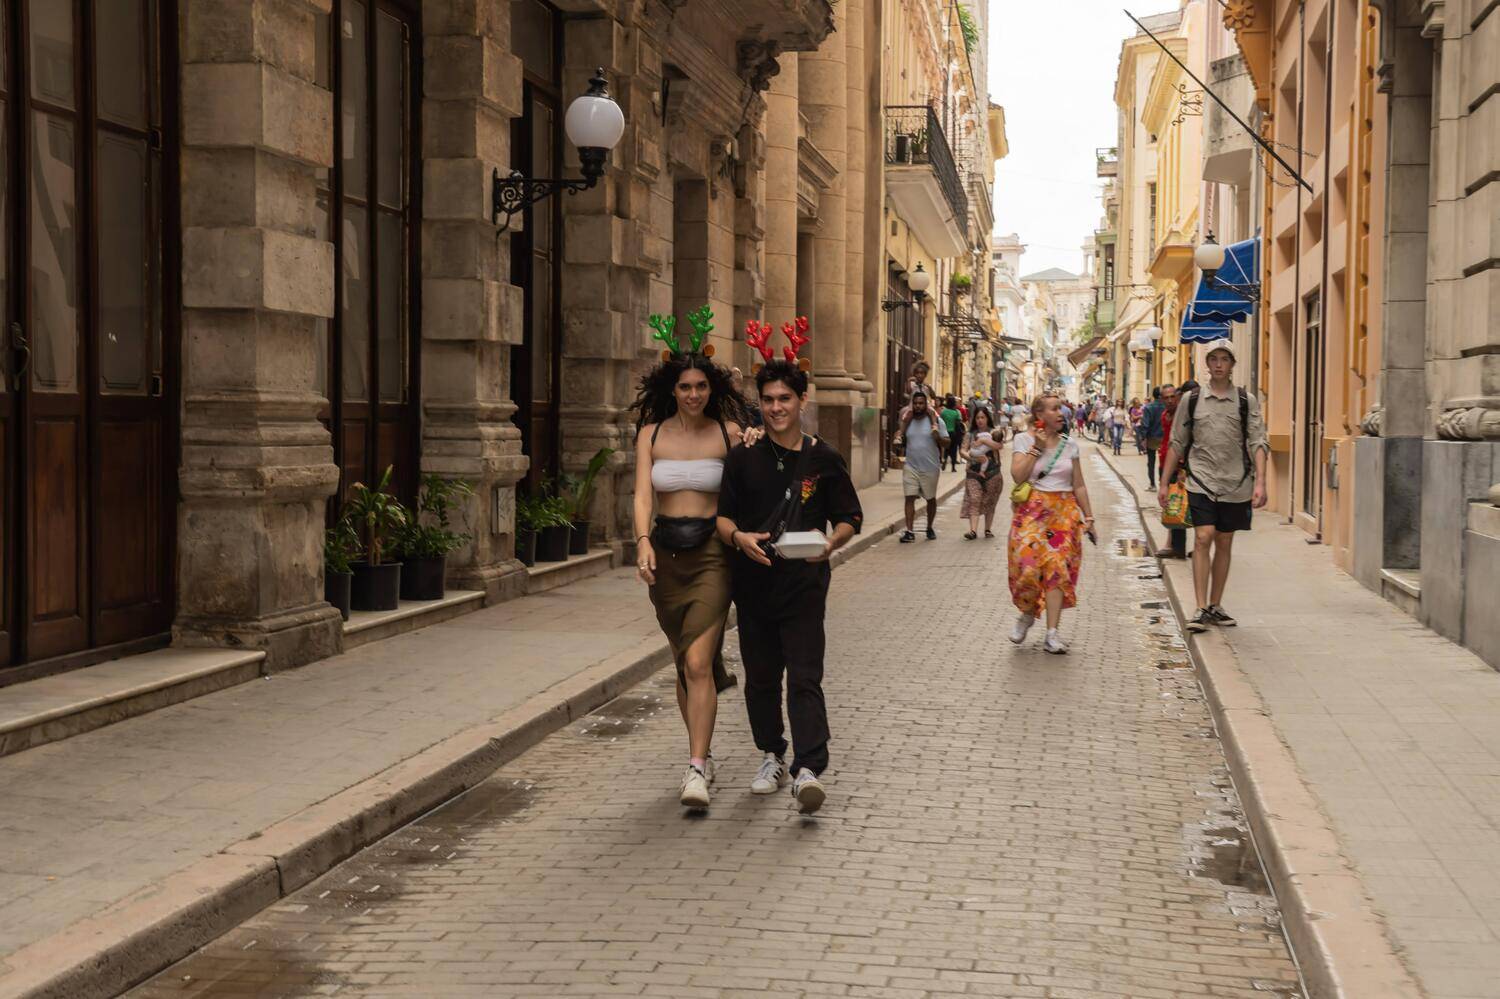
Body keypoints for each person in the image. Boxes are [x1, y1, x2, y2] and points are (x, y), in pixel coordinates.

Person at [716, 358, 863, 814]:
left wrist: (831, 543)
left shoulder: (824, 458)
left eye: (784, 398)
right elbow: (722, 518)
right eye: (768, 400)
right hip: (753, 586)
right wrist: (738, 538)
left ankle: (808, 769)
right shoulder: (742, 457)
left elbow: (850, 517)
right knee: (761, 679)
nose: (776, 407)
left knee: (804, 676)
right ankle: (772, 754)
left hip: (804, 585)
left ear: (802, 400)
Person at [631, 349, 750, 808]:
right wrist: (642, 540)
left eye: (701, 386)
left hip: (713, 555)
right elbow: (643, 496)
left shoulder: (728, 433)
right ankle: (701, 752)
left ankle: (696, 768)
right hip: (666, 556)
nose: (694, 394)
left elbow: (752, 480)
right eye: (685, 387)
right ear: (673, 390)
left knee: (699, 662)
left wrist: (758, 440)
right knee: (685, 662)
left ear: (711, 389)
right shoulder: (651, 434)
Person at [1159, 343, 1269, 634]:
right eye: (1214, 359)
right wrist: (1164, 482)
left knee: (1224, 541)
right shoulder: (1192, 400)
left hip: (1236, 483)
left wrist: (1261, 482)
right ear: (1207, 364)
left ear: (1232, 364)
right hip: (1201, 480)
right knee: (1203, 537)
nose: (1219, 364)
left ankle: (1216, 605)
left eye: (1224, 359)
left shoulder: (1245, 401)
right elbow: (1178, 442)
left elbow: (1258, 441)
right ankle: (1200, 607)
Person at [1008, 394, 1097, 654]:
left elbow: (1078, 484)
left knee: (1057, 571)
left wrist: (1089, 517)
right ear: (1039, 414)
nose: (1062, 413)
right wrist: (1036, 448)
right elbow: (1018, 476)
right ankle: (1027, 613)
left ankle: (1052, 633)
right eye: (1055, 409)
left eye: (1061, 408)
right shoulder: (1023, 440)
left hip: (1063, 514)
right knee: (1027, 567)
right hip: (1031, 512)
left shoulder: (1070, 445)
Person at [895, 389, 948, 541]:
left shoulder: (937, 422)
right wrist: (898, 440)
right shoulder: (908, 420)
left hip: (930, 467)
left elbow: (947, 442)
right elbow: (901, 439)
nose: (918, 406)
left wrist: (938, 437)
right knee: (909, 497)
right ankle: (909, 531)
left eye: (921, 403)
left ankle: (929, 527)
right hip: (911, 466)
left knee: (930, 499)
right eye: (916, 403)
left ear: (926, 404)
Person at [1157, 381, 1195, 559]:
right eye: (1166, 398)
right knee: (1172, 505)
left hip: (1178, 466)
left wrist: (1182, 467)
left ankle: (1181, 547)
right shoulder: (1164, 415)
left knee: (1179, 504)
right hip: (1164, 465)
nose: (1170, 400)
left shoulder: (1182, 415)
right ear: (1161, 399)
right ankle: (1175, 546)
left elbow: (1184, 441)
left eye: (1173, 397)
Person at [959, 407, 1005, 540]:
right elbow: (963, 450)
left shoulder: (994, 432)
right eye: (977, 418)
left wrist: (984, 441)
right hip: (973, 473)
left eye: (982, 417)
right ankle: (973, 531)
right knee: (975, 499)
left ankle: (987, 529)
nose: (980, 420)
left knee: (990, 501)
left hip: (993, 473)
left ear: (987, 418)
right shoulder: (970, 434)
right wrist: (972, 458)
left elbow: (999, 446)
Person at [1140, 386, 1169, 488]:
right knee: (1164, 461)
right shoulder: (1167, 406)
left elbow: (1145, 424)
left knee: (1151, 462)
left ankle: (1152, 484)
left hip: (1152, 437)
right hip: (1165, 436)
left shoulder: (1148, 407)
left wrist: (1143, 438)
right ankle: (1163, 483)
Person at [940, 394, 965, 472]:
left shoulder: (943, 412)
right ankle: (953, 467)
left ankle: (944, 459)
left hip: (945, 433)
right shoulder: (956, 413)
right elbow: (958, 423)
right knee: (954, 449)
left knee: (947, 448)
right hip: (953, 433)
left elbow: (940, 421)